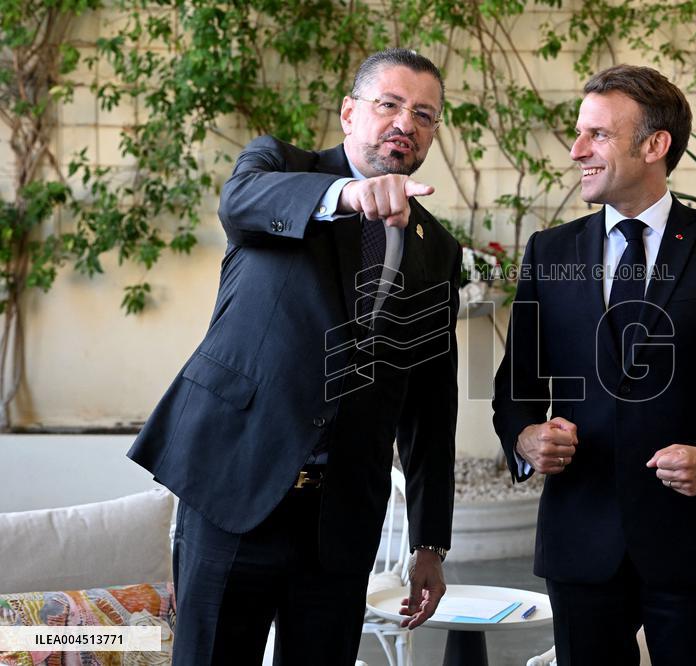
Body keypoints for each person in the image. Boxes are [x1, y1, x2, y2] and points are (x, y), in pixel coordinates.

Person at [128, 48, 461, 665]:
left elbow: (430, 403)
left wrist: (430, 542)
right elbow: (239, 202)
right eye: (389, 104)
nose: (405, 123)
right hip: (236, 487)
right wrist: (348, 195)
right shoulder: (278, 166)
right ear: (349, 113)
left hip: (341, 519)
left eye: (423, 114)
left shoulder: (437, 248)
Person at [492, 64, 696, 665]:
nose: (577, 150)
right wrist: (525, 438)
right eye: (580, 133)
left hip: (694, 543)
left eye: (598, 135)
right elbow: (516, 387)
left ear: (655, 146)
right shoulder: (549, 252)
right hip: (580, 544)